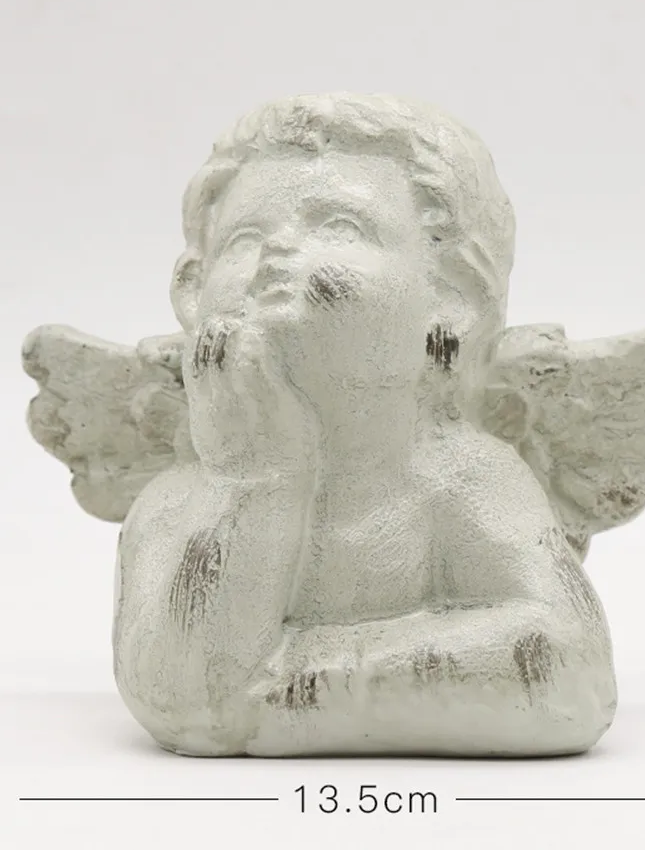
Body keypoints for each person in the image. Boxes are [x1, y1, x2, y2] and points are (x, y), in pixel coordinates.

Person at [112, 94, 616, 756]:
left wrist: (292, 686)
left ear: (452, 297)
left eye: (341, 227)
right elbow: (181, 704)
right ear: (191, 291)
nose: (278, 251)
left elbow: (572, 676)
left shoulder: (465, 482)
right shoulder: (179, 503)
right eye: (243, 240)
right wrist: (260, 477)